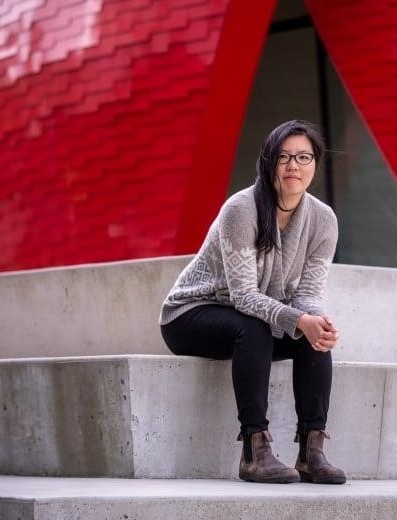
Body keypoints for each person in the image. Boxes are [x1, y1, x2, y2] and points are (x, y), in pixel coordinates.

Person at [159, 120, 345, 485]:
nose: (294, 165)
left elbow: (308, 293)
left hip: (253, 316)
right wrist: (297, 318)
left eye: (303, 157)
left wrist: (314, 320)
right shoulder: (241, 209)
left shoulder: (323, 220)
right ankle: (253, 451)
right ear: (268, 162)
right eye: (284, 156)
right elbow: (243, 295)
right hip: (192, 313)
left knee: (314, 332)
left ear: (315, 165)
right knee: (256, 326)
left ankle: (312, 451)